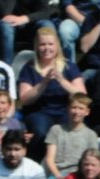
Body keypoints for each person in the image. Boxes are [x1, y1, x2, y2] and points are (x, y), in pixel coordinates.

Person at [18, 27, 87, 160]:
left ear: (57, 46)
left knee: (72, 129)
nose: (46, 48)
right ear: (37, 47)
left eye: (50, 44)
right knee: (41, 131)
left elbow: (82, 96)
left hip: (64, 111)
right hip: (39, 113)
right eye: (42, 44)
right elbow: (25, 99)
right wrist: (44, 83)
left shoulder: (69, 67)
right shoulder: (29, 68)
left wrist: (62, 80)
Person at [43, 93, 99, 179]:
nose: (76, 112)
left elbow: (93, 161)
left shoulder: (91, 135)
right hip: (58, 173)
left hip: (80, 175)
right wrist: (58, 176)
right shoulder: (56, 130)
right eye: (74, 107)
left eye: (81, 108)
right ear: (68, 109)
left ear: (87, 112)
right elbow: (49, 159)